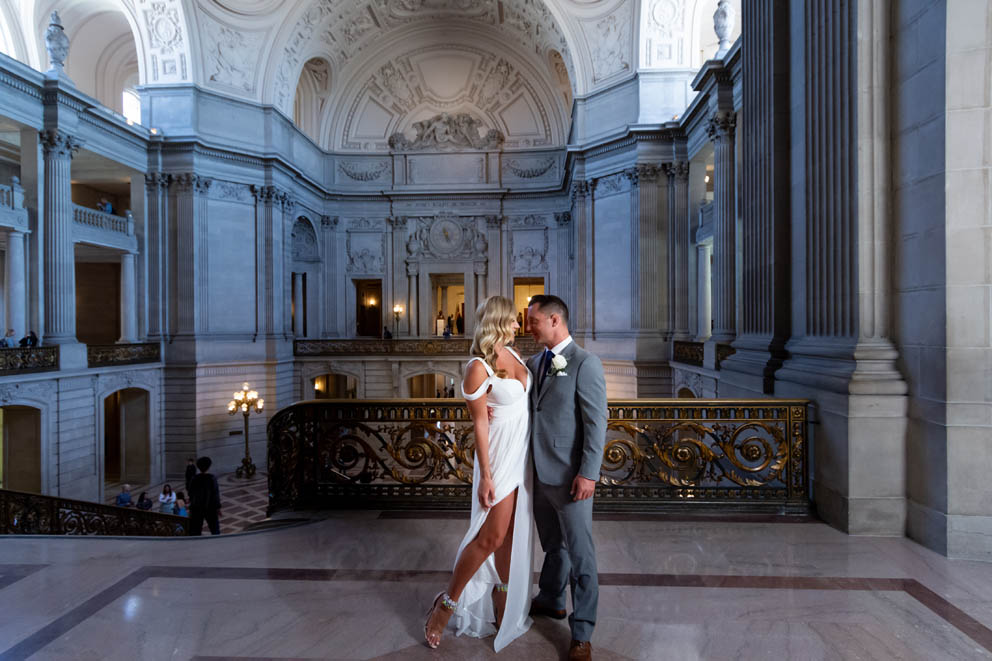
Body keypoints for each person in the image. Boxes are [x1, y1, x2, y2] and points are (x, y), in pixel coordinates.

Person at [423, 295, 533, 652]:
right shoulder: (477, 366)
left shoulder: (514, 355)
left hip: (523, 456)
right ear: (499, 322)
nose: (519, 325)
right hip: (499, 459)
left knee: (510, 537)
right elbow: (480, 426)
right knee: (490, 537)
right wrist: (485, 475)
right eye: (514, 320)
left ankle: (501, 602)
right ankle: (447, 604)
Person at [525, 294, 607, 661]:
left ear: (555, 320)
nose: (529, 327)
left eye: (533, 321)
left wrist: (588, 474)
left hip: (572, 478)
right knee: (552, 545)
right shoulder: (532, 362)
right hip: (539, 475)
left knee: (581, 555)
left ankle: (582, 632)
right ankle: (551, 599)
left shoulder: (585, 363)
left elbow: (595, 423)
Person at [188, 456, 222, 535]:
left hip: (196, 508)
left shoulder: (194, 478)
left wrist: (191, 507)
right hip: (210, 508)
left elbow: (190, 493)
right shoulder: (212, 478)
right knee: (215, 530)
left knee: (195, 531)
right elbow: (215, 494)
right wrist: (218, 507)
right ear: (209, 466)